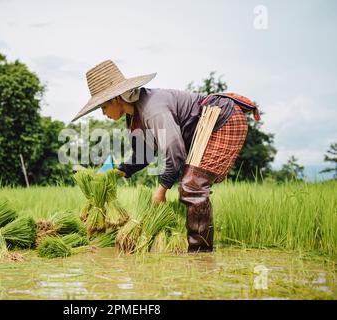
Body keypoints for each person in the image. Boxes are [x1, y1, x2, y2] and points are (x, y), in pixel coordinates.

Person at [71, 60, 260, 252]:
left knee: (192, 184)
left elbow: (174, 150)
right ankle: (195, 248)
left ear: (117, 98)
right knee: (189, 184)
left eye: (103, 107)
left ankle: (200, 255)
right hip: (206, 126)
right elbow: (143, 155)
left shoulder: (153, 110)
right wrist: (115, 174)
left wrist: (161, 190)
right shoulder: (133, 117)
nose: (103, 114)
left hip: (222, 119)